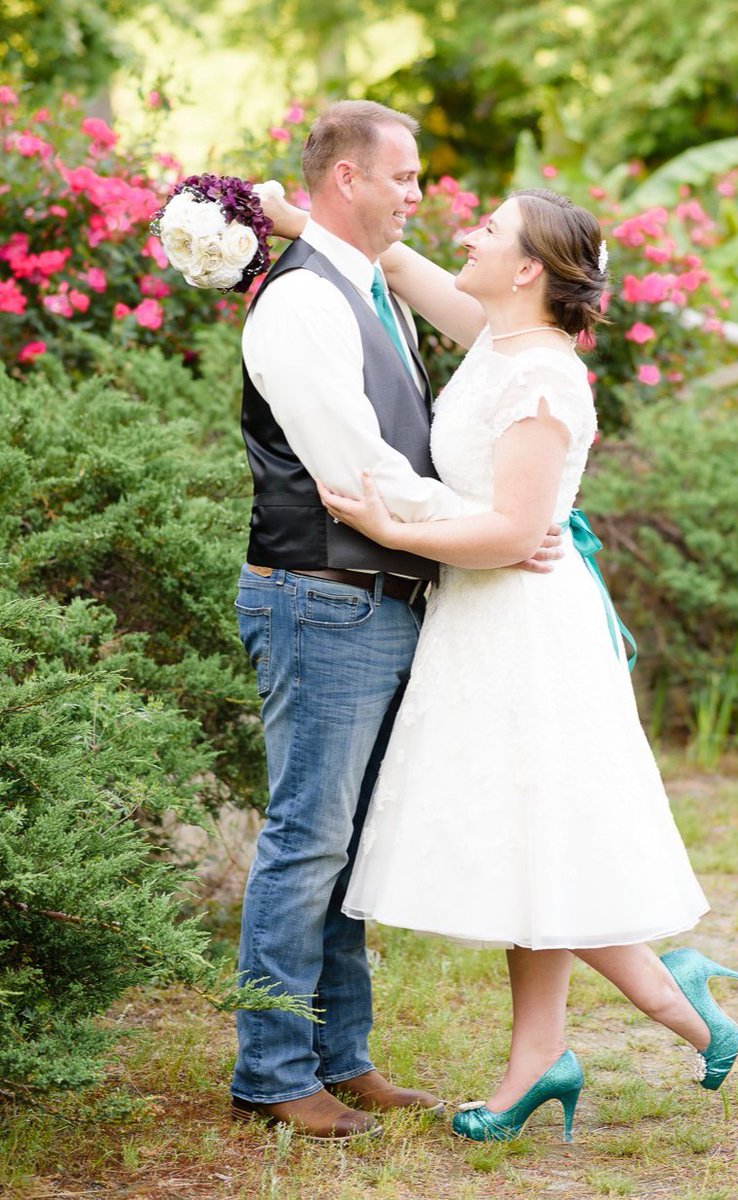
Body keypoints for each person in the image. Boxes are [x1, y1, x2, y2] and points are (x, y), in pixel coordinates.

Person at [269, 184, 738, 1144]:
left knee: (537, 833)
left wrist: (378, 520)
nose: (467, 235)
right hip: (481, 619)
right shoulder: (497, 337)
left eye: (487, 230)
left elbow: (511, 534)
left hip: (526, 627)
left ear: (527, 267)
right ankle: (551, 1054)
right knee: (522, 839)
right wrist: (304, 225)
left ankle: (667, 1000)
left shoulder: (546, 379)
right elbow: (398, 265)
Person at [231, 100, 561, 1142]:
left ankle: (342, 1057)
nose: (419, 195)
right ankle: (272, 1072)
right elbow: (356, 472)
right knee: (306, 840)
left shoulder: (368, 286)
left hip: (378, 597)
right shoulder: (300, 305)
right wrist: (491, 529)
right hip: (321, 597)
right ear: (346, 181)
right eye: (404, 177)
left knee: (351, 845)